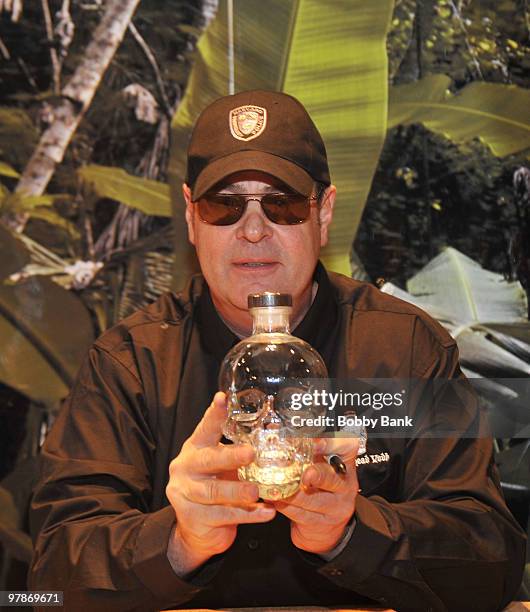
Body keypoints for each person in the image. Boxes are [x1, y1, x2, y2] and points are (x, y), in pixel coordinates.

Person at [29, 90, 526, 612]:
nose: (253, 229)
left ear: (324, 212)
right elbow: (46, 583)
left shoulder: (403, 348)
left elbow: (489, 559)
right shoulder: (131, 363)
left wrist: (351, 530)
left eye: (282, 203)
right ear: (192, 218)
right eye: (224, 204)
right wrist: (179, 541)